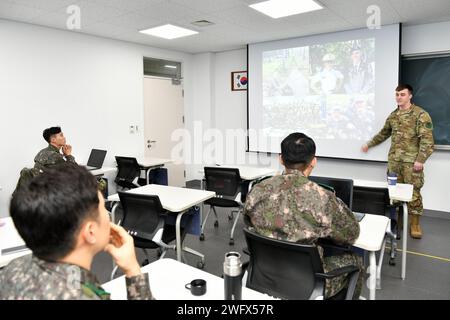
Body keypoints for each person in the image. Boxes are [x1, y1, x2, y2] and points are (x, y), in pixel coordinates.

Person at [0, 164, 152, 300]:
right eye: (103, 209)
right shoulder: (83, 294)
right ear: (90, 232)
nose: (108, 215)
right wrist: (132, 269)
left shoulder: (13, 268)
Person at [244, 132, 363, 299]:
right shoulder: (322, 197)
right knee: (356, 261)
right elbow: (351, 234)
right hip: (308, 282)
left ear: (280, 159)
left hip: (264, 273)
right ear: (313, 161)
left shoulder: (257, 189)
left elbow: (249, 223)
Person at [361, 84, 434, 239]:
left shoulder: (420, 114)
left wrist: (420, 160)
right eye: (397, 94)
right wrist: (369, 144)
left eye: (402, 94)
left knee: (414, 194)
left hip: (411, 163)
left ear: (410, 96)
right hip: (394, 162)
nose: (399, 97)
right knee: (394, 194)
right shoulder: (393, 115)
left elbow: (427, 141)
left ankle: (414, 224)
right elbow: (383, 133)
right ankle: (398, 222)